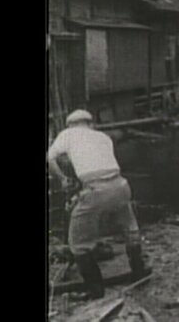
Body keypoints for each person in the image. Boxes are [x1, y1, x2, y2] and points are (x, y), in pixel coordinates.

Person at [47, 110, 149, 301]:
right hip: (120, 185)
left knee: (78, 244)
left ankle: (95, 290)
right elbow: (98, 164)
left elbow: (49, 158)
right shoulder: (103, 137)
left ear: (70, 125)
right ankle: (139, 271)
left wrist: (61, 179)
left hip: (96, 189)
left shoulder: (67, 134)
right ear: (90, 123)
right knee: (130, 229)